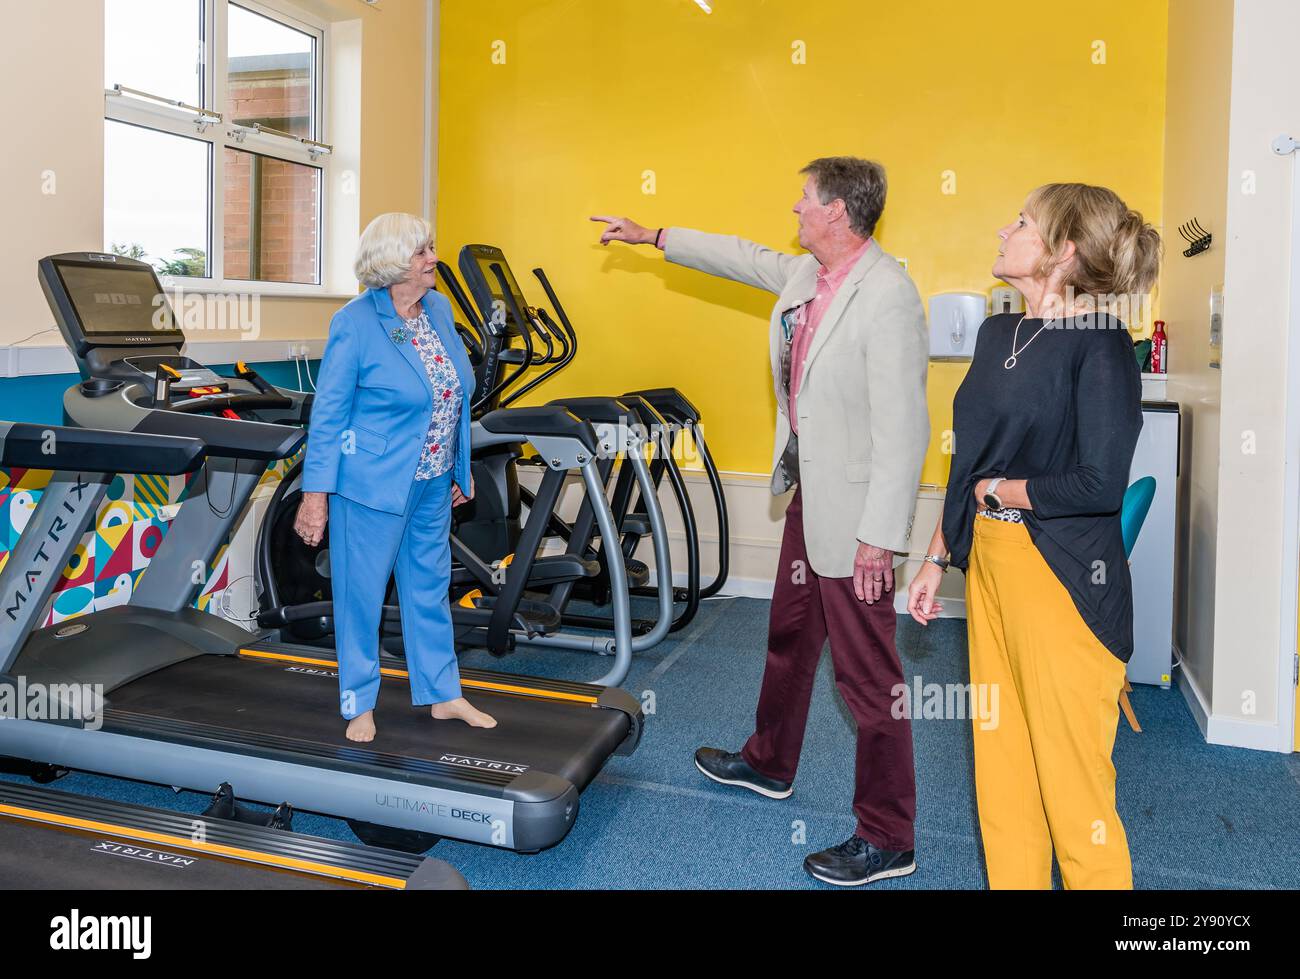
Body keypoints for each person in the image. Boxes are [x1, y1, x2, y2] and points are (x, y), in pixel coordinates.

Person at [593, 156, 929, 886]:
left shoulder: (888, 295)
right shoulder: (809, 275)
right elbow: (741, 257)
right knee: (789, 633)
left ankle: (889, 833)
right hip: (811, 494)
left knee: (869, 676)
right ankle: (770, 760)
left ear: (838, 212)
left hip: (860, 514)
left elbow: (906, 431)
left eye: (805, 199)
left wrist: (881, 535)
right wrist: (655, 235)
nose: (795, 208)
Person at [906, 183, 1161, 889]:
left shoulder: (1103, 344)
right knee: (1003, 767)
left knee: (1076, 794)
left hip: (1064, 578)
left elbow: (1099, 483)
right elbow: (969, 460)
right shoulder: (999, 332)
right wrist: (937, 556)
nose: (1003, 227)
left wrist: (1004, 492)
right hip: (988, 562)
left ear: (1063, 250)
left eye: (1020, 221)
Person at [294, 212, 496, 742]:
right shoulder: (356, 322)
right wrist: (315, 496)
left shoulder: (438, 308)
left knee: (429, 588)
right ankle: (358, 702)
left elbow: (454, 393)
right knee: (361, 594)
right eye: (422, 251)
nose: (433, 258)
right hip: (370, 482)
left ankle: (442, 694)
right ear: (392, 264)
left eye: (430, 247)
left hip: (430, 480)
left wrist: (459, 463)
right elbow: (329, 414)